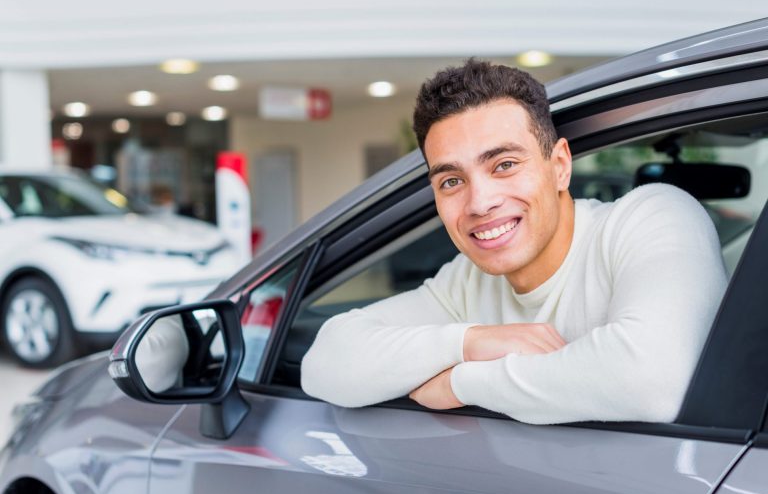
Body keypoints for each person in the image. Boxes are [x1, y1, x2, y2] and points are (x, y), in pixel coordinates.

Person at [301, 59, 727, 424]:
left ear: (559, 166)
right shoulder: (467, 282)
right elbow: (326, 363)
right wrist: (472, 341)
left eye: (504, 165)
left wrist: (460, 383)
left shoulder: (649, 218)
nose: (479, 203)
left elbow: (652, 380)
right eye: (451, 181)